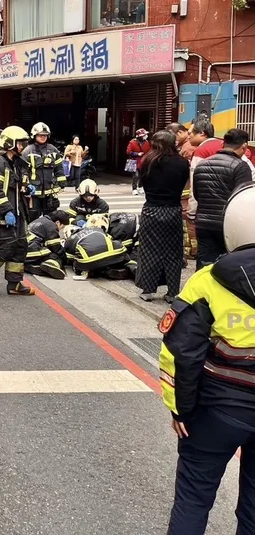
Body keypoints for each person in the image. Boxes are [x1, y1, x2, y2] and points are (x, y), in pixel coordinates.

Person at [159, 182, 255, 535]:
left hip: (217, 411)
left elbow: (179, 352)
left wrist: (179, 408)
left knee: (193, 499)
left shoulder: (207, 281)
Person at [0, 125, 37, 296]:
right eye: (20, 143)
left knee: (20, 245)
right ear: (9, 143)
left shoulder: (16, 163)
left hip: (18, 212)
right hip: (2, 213)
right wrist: (7, 211)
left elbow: (18, 185)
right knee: (8, 245)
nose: (22, 146)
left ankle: (14, 284)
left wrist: (27, 188)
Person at [134, 130, 190, 303]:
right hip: (173, 209)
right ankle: (172, 292)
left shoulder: (148, 161)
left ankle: (148, 290)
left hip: (151, 209)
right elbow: (183, 184)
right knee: (173, 252)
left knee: (150, 251)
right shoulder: (181, 163)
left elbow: (142, 182)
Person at [193, 128, 254, 269]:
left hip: (203, 222)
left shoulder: (202, 164)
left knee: (205, 263)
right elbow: (243, 199)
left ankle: (202, 290)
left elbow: (197, 194)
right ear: (244, 146)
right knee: (228, 266)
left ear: (223, 144)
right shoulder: (240, 166)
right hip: (228, 225)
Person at [21, 122, 66, 221]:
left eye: (45, 135)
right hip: (33, 193)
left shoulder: (53, 150)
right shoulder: (27, 151)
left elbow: (59, 168)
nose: (43, 137)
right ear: (34, 135)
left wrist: (62, 182)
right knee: (32, 218)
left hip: (50, 192)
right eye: (41, 135)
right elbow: (23, 171)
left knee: (51, 218)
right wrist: (26, 185)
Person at [63, 215, 132, 280]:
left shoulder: (69, 240)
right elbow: (110, 238)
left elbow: (69, 257)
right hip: (111, 254)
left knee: (75, 262)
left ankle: (98, 272)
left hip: (89, 261)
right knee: (116, 245)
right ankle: (128, 265)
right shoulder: (96, 228)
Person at [24, 210, 70, 279]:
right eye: (62, 227)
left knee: (46, 251)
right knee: (55, 256)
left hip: (22, 250)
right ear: (58, 222)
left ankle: (31, 266)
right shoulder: (51, 226)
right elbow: (56, 248)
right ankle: (51, 265)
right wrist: (65, 259)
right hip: (30, 249)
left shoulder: (40, 220)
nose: (61, 230)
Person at [126, 128, 151, 195]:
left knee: (143, 175)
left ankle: (140, 187)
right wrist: (137, 154)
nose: (146, 136)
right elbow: (128, 152)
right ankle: (134, 189)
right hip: (135, 161)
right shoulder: (132, 142)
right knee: (136, 175)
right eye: (144, 135)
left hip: (144, 161)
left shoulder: (147, 142)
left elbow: (149, 151)